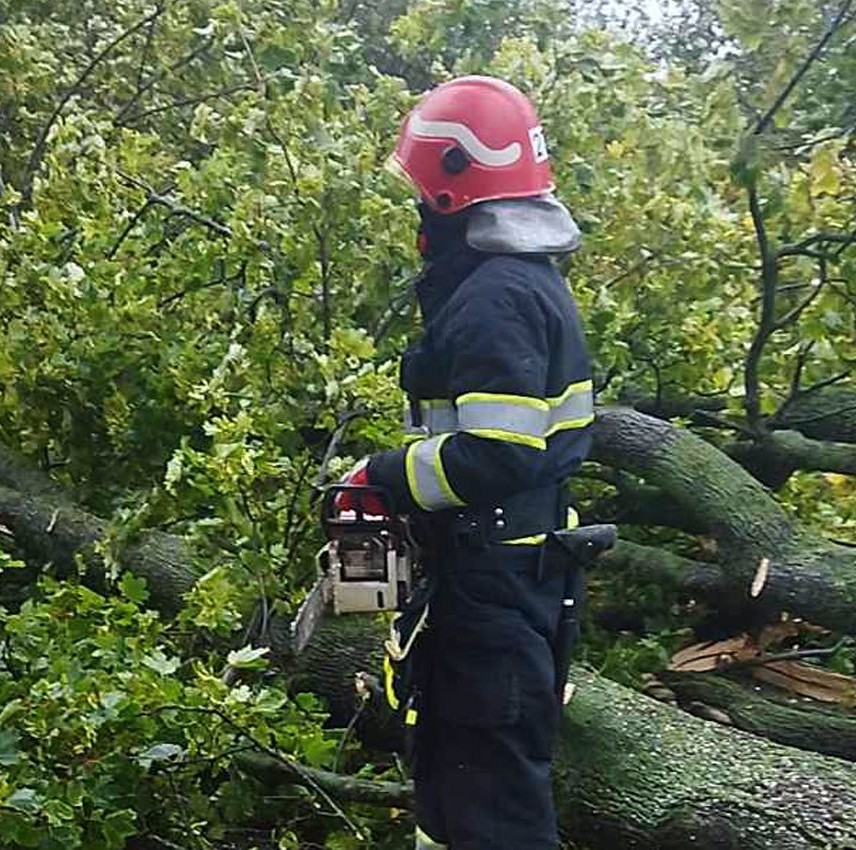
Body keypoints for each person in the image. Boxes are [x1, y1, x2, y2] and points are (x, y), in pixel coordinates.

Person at [337, 75, 594, 849]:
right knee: (452, 785)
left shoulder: (496, 298)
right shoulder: (514, 284)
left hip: (496, 586)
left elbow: (497, 454)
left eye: (418, 188)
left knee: (493, 807)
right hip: (497, 573)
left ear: (452, 189)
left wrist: (384, 475)